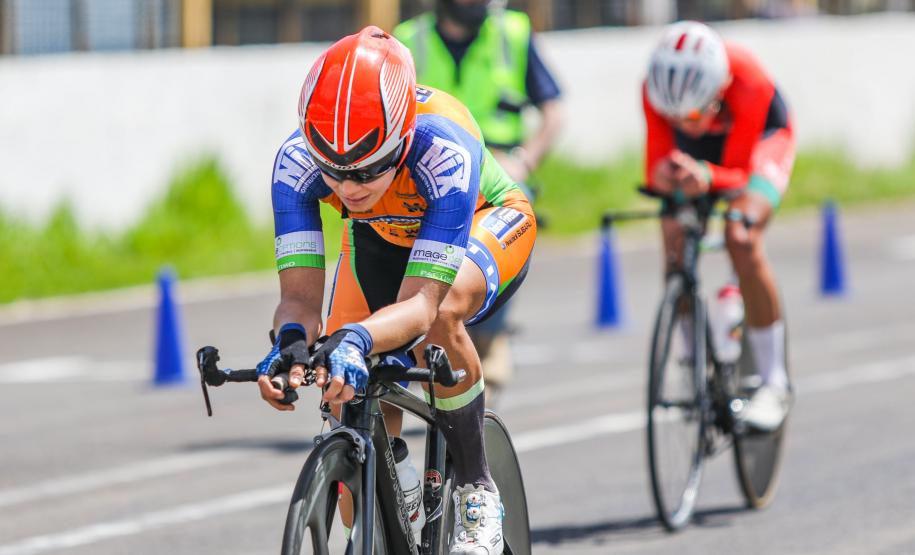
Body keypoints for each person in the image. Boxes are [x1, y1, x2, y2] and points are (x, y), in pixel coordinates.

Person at [256, 27, 535, 554]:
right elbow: (297, 299)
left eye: (369, 169)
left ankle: (477, 486)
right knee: (345, 383)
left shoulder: (442, 147)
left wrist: (359, 338)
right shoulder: (296, 165)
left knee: (435, 321)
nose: (349, 188)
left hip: (484, 223)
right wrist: (291, 343)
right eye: (333, 174)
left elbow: (421, 305)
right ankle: (396, 478)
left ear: (403, 139)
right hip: (381, 237)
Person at [394, 0, 563, 402]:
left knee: (502, 233)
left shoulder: (514, 34)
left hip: (497, 169)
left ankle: (490, 334)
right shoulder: (406, 41)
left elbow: (554, 111)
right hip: (423, 172)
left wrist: (525, 160)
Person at [642, 21, 794, 431]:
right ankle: (693, 352)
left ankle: (774, 383)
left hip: (762, 139)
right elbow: (655, 170)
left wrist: (707, 177)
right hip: (702, 153)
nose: (684, 123)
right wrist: (672, 177)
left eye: (692, 114)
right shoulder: (656, 92)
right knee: (673, 228)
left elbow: (740, 174)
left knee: (740, 235)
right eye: (673, 116)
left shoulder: (749, 80)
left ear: (719, 87)